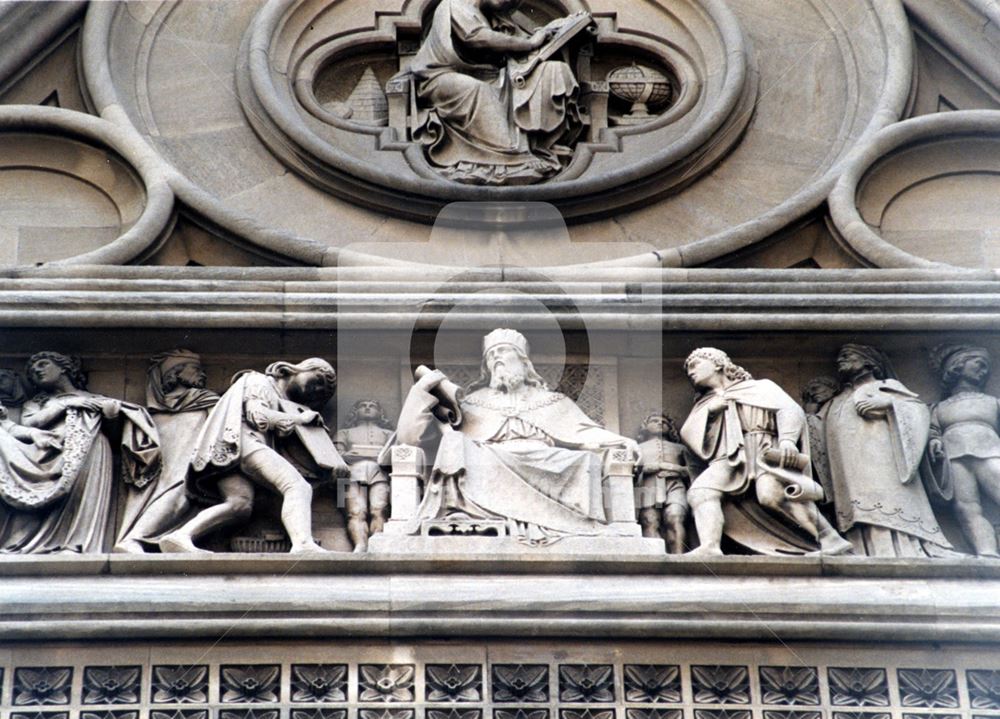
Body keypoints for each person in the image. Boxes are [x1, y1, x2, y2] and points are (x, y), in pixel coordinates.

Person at [394, 329, 638, 543]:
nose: (496, 357)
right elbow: (410, 438)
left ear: (524, 362)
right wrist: (422, 391)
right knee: (455, 443)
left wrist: (622, 441)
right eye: (491, 355)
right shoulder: (471, 402)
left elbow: (584, 432)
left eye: (503, 351)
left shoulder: (552, 401)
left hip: (545, 459)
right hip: (490, 458)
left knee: (586, 462)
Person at [679, 348, 851, 556]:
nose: (690, 371)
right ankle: (710, 547)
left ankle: (831, 540)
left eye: (694, 364)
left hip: (764, 448)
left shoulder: (759, 388)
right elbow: (689, 434)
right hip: (730, 457)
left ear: (717, 364)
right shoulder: (706, 404)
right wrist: (711, 412)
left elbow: (790, 410)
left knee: (771, 495)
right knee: (701, 492)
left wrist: (787, 440)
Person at [159, 358, 339, 554]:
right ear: (295, 369)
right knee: (297, 486)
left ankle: (180, 536)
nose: (318, 389)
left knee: (239, 505)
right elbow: (258, 416)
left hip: (235, 452)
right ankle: (303, 544)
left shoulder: (278, 398)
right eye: (318, 380)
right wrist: (299, 419)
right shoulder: (260, 381)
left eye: (323, 392)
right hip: (245, 443)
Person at [0, 352, 160, 554]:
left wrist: (112, 415)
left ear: (64, 367)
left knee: (84, 499)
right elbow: (30, 423)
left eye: (42, 364)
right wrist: (64, 404)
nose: (36, 371)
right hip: (50, 454)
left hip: (92, 450)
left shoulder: (94, 399)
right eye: (32, 371)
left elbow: (114, 432)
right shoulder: (37, 403)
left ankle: (76, 544)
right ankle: (37, 544)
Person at [408, 0, 582, 184]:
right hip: (440, 77)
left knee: (548, 73)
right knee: (476, 90)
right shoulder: (455, 4)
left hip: (484, 76)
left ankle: (536, 146)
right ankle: (514, 159)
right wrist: (530, 43)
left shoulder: (491, 17)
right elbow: (476, 38)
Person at [820, 344, 954, 557]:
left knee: (886, 501)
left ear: (868, 362)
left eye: (847, 356)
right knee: (857, 507)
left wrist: (889, 404)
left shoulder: (886, 386)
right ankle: (865, 549)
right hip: (851, 469)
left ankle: (902, 550)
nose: (840, 361)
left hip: (882, 461)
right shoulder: (838, 398)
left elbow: (917, 410)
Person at [114, 350, 240, 553]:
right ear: (175, 372)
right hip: (174, 459)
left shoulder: (202, 400)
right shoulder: (192, 402)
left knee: (180, 493)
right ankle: (134, 539)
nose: (203, 374)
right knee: (172, 491)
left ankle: (138, 538)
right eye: (196, 369)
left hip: (190, 457)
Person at [927, 345, 1000, 556]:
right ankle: (986, 552)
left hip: (990, 450)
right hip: (954, 456)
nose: (984, 371)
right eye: (978, 364)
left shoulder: (993, 403)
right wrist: (934, 441)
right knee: (966, 507)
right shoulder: (938, 407)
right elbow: (932, 430)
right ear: (958, 366)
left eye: (986, 367)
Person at [334, 399, 394, 552]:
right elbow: (335, 455)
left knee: (379, 509)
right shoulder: (344, 433)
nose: (367, 408)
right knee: (356, 511)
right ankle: (360, 545)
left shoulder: (389, 434)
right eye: (363, 406)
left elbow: (395, 455)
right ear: (356, 411)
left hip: (380, 473)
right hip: (353, 472)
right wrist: (347, 456)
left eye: (372, 406)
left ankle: (377, 546)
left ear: (380, 412)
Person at [634, 412, 689, 553]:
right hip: (648, 485)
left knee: (675, 516)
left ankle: (679, 557)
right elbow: (633, 469)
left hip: (674, 485)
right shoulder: (637, 448)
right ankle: (656, 557)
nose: (660, 423)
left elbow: (693, 470)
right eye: (654, 421)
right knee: (649, 520)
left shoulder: (680, 448)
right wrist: (657, 467)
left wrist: (674, 469)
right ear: (645, 427)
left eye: (664, 422)